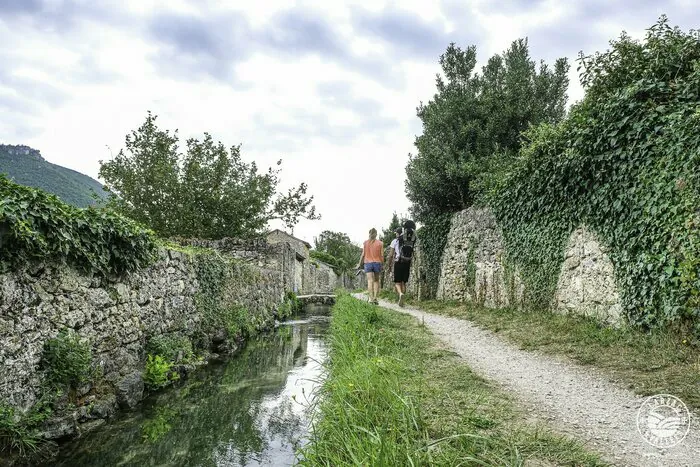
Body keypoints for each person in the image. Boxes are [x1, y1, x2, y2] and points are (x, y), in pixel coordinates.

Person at [387, 221, 417, 307]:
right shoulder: (412, 239)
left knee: (397, 282)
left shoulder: (395, 241)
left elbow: (390, 255)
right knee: (404, 282)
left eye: (396, 233)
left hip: (398, 262)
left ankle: (400, 294)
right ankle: (402, 300)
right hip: (407, 262)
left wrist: (389, 265)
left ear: (398, 233)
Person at [358, 228, 383, 304]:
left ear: (369, 234)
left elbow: (363, 255)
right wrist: (382, 264)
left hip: (368, 263)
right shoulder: (380, 243)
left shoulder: (365, 243)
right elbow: (382, 255)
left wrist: (359, 264)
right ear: (376, 234)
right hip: (377, 263)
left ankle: (371, 299)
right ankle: (375, 298)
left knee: (370, 280)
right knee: (376, 281)